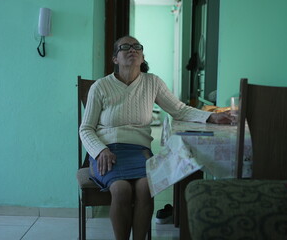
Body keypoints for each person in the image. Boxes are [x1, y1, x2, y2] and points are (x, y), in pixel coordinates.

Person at [79, 35, 232, 240]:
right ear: (115, 58)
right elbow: (86, 128)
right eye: (125, 47)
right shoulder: (100, 86)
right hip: (107, 151)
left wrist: (211, 116)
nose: (132, 50)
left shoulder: (153, 82)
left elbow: (179, 110)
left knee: (145, 187)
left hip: (138, 149)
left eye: (137, 47)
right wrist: (100, 150)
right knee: (122, 189)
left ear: (142, 57)